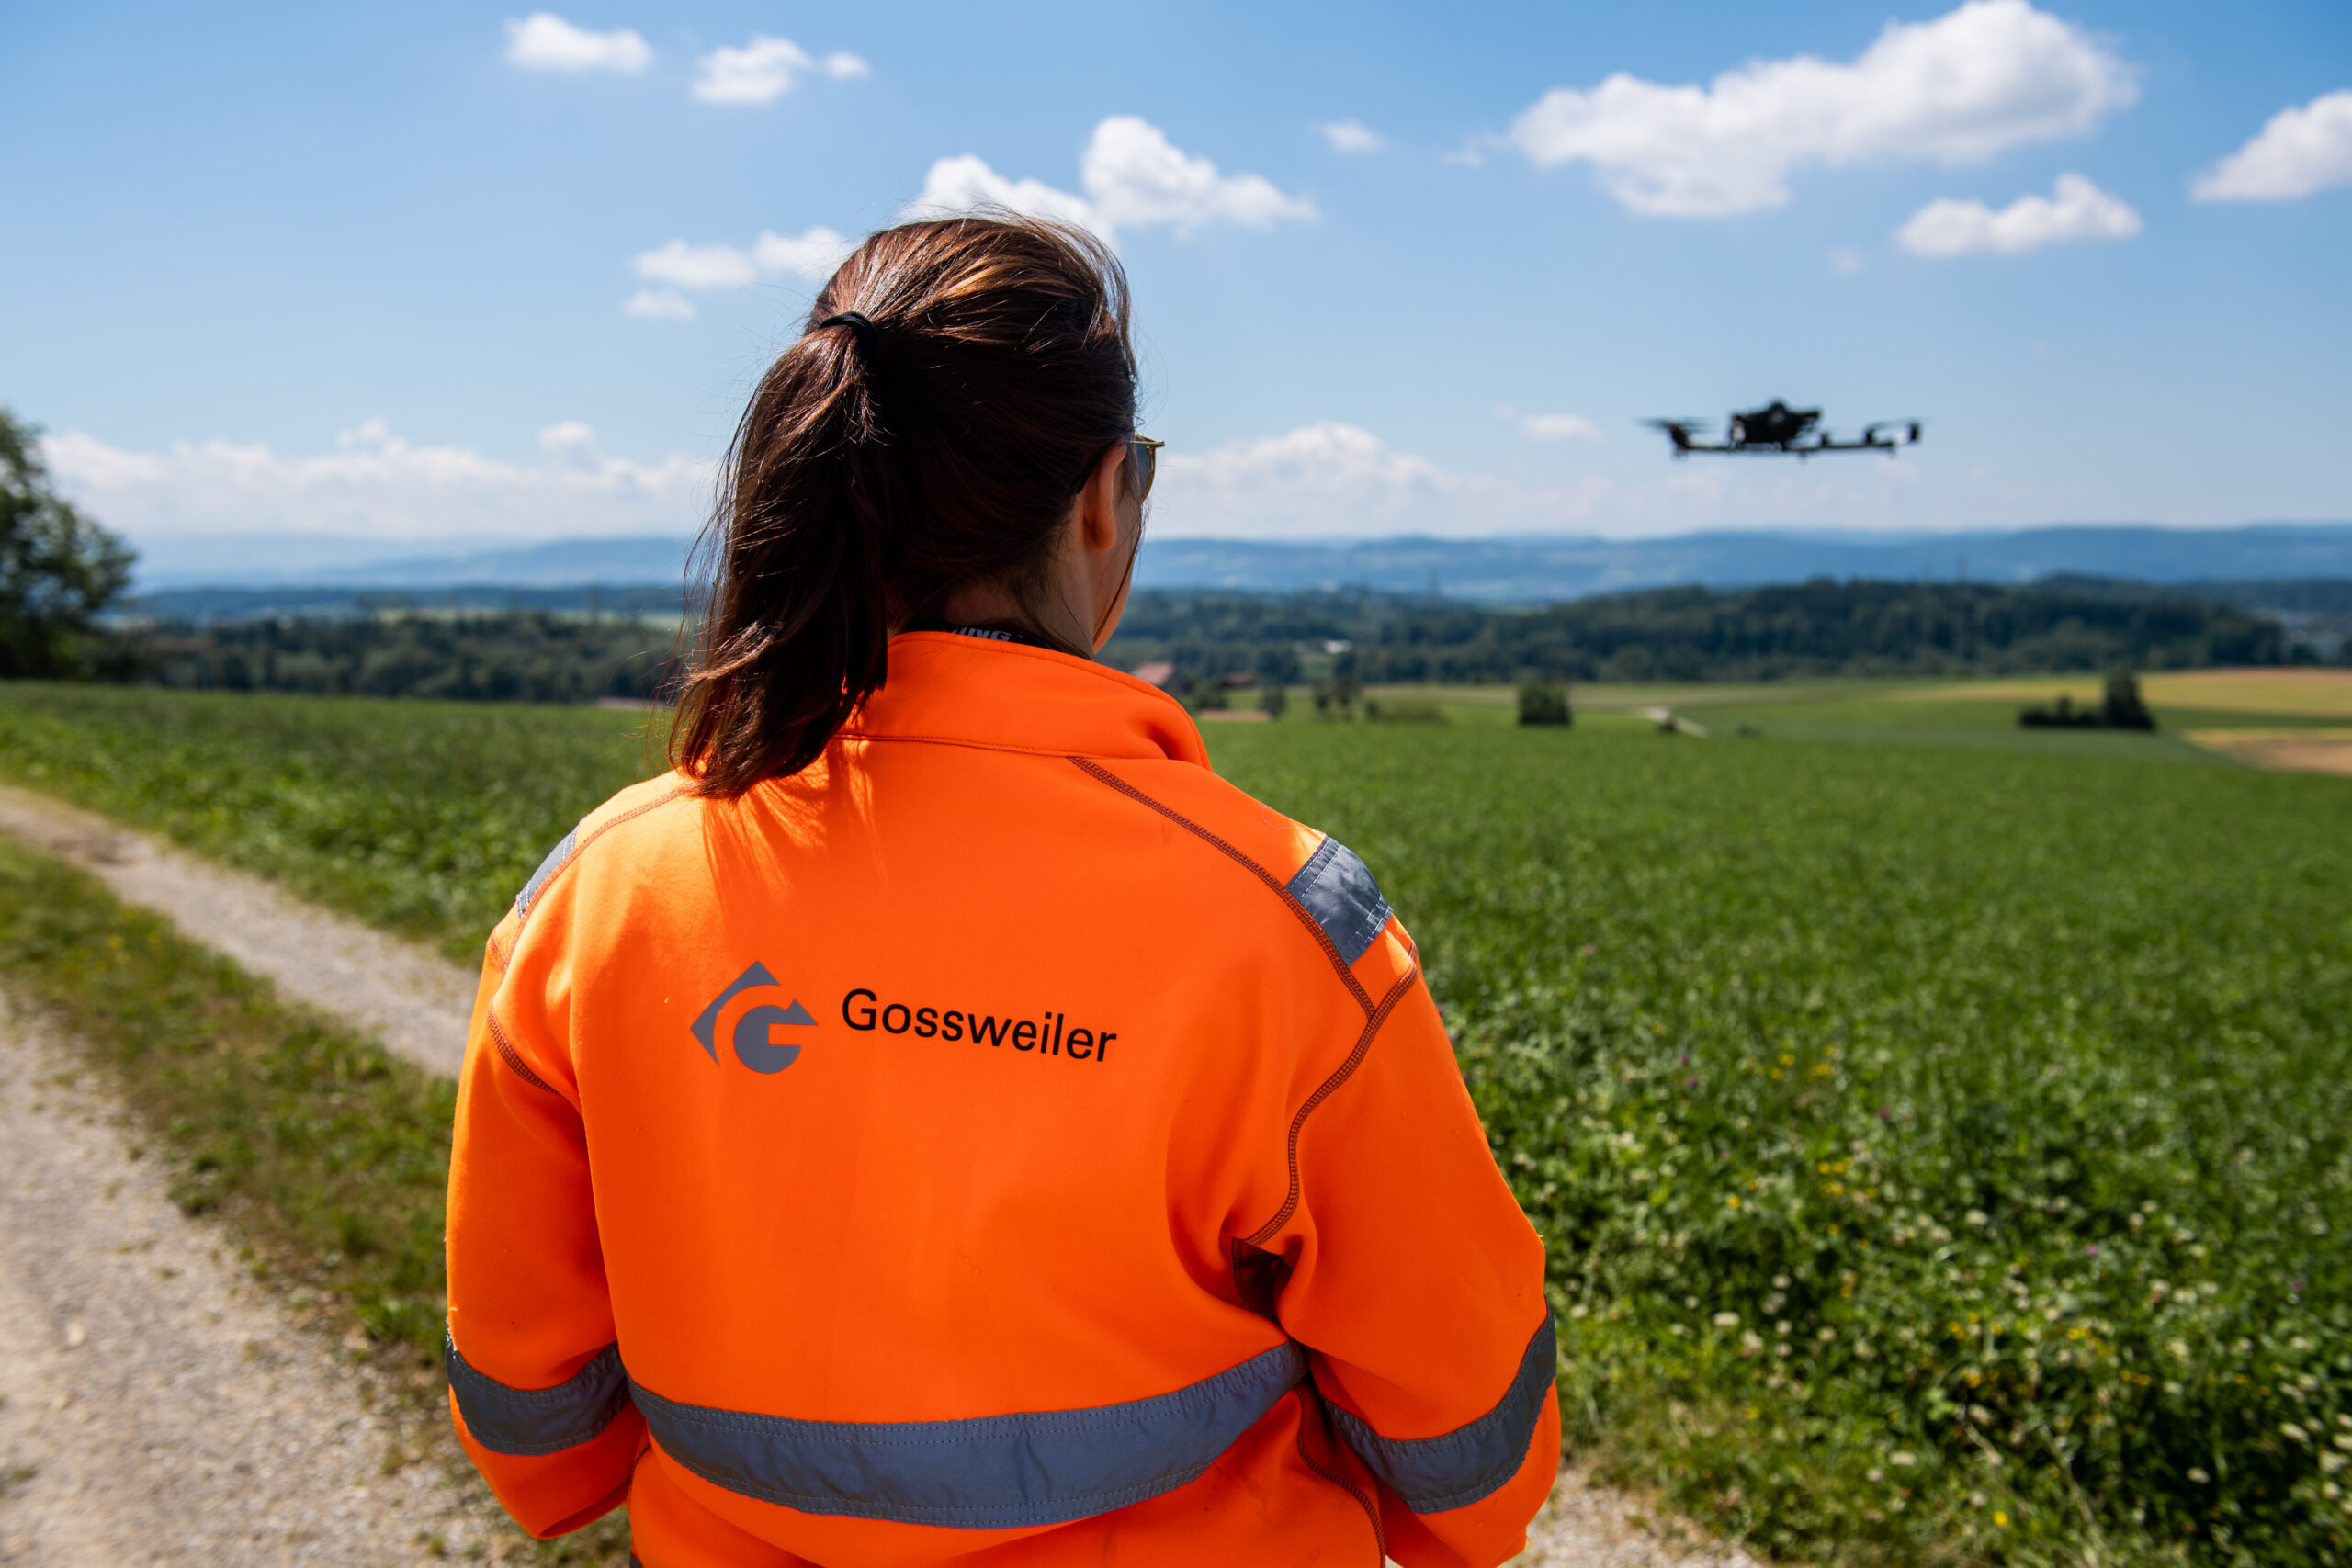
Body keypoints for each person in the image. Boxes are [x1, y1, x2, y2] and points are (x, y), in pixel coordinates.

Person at [443, 215, 1559, 1567]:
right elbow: (1467, 1432)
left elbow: (529, 1397)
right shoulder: (1279, 928)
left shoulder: (604, 887)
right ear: (1102, 496)